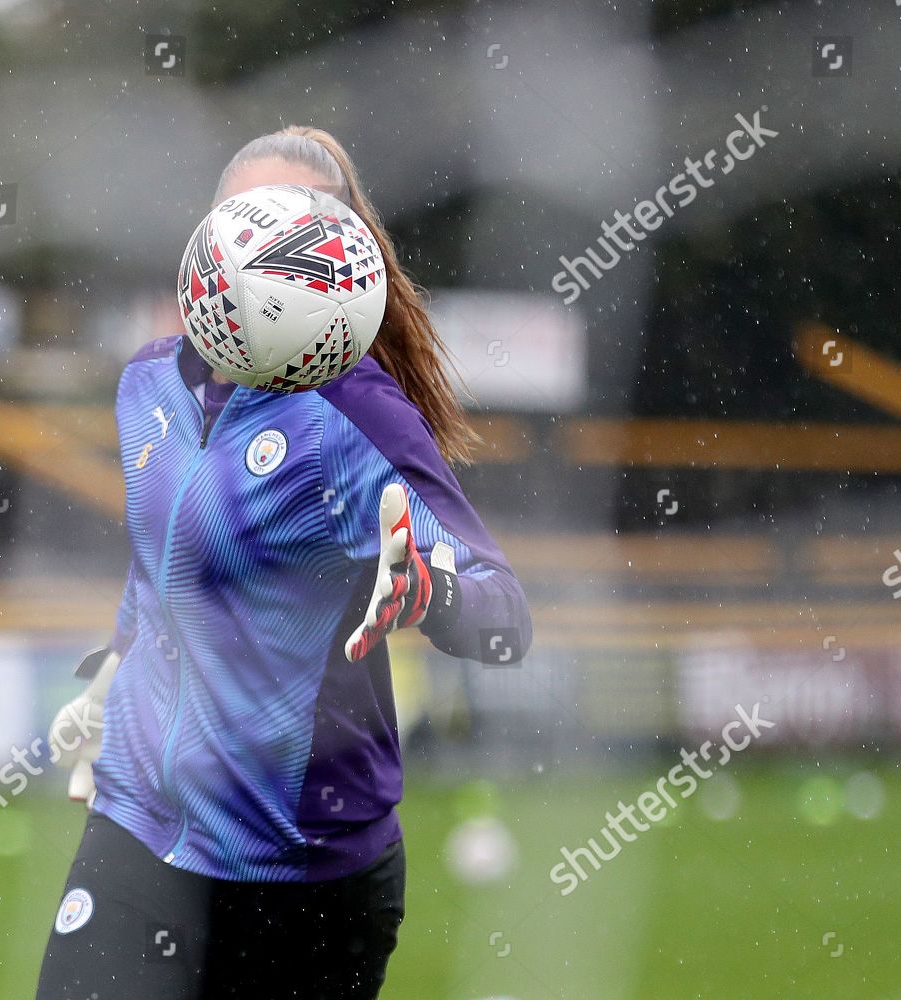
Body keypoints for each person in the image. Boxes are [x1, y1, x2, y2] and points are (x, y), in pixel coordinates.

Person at [35, 125, 532, 1000]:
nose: (271, 249)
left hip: (305, 874)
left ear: (347, 259)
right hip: (137, 831)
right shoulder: (146, 383)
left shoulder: (358, 417)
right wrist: (114, 675)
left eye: (307, 227)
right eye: (252, 218)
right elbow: (159, 566)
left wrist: (431, 593)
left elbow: (506, 617)